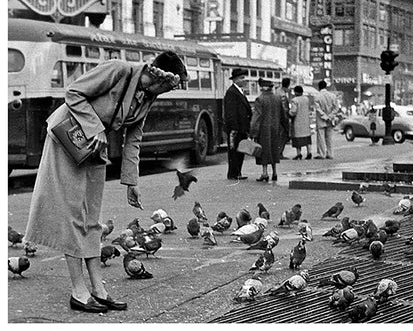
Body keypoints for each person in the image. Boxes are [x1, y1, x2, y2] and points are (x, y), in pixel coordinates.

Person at [24, 51, 187, 313]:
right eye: (167, 86)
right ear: (157, 74)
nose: (165, 93)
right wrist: (96, 128)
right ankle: (79, 291)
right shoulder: (118, 70)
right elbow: (74, 93)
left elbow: (134, 136)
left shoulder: (148, 95)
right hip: (70, 139)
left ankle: (98, 289)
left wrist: (131, 181)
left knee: (92, 217)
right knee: (73, 214)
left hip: (93, 146)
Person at [250, 78, 287, 181]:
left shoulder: (260, 99)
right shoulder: (277, 99)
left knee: (264, 151)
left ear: (264, 87)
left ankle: (265, 173)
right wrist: (286, 129)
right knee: (274, 150)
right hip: (275, 129)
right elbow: (283, 115)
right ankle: (274, 172)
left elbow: (256, 118)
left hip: (263, 130)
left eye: (261, 87)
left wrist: (252, 132)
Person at [223, 68, 252, 180]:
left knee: (240, 151)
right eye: (242, 78)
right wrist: (234, 128)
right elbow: (231, 112)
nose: (245, 80)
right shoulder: (231, 92)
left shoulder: (239, 91)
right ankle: (233, 174)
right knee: (234, 151)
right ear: (235, 80)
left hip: (241, 128)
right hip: (236, 128)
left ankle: (237, 172)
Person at [314, 80, 338, 159]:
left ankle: (322, 154)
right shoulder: (333, 96)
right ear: (326, 86)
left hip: (321, 120)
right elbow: (336, 108)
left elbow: (318, 109)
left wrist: (325, 116)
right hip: (330, 120)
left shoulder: (317, 97)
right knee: (329, 137)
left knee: (321, 137)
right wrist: (330, 116)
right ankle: (330, 153)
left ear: (319, 87)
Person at [289, 85, 312, 160]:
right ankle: (309, 152)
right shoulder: (306, 99)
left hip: (297, 122)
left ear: (295, 92)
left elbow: (293, 111)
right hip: (306, 121)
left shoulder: (295, 100)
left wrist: (289, 113)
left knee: (297, 138)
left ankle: (299, 154)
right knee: (307, 138)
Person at [275, 77, 292, 159]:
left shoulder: (278, 91)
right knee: (282, 136)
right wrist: (286, 119)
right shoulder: (282, 95)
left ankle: (279, 152)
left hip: (277, 117)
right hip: (281, 119)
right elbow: (284, 109)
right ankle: (279, 153)